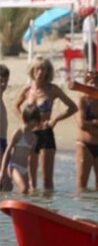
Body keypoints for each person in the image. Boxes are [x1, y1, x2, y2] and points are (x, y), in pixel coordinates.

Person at [14, 56, 77, 191]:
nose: (40, 72)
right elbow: (15, 106)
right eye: (37, 69)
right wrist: (24, 122)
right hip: (30, 134)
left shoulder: (52, 89)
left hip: (45, 133)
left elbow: (73, 107)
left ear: (48, 72)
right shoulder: (27, 90)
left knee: (47, 181)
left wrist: (55, 120)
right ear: (32, 71)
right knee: (32, 182)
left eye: (44, 69)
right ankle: (32, 207)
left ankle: (48, 206)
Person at [0, 106, 40, 194]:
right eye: (34, 121)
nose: (36, 124)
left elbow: (31, 160)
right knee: (23, 189)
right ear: (28, 119)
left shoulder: (34, 138)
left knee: (27, 192)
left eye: (37, 121)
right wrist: (2, 171)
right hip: (14, 166)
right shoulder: (18, 132)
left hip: (24, 169)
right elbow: (7, 151)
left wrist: (32, 179)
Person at [0, 65, 9, 161]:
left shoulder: (2, 101)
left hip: (3, 142)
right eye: (0, 81)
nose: (3, 84)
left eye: (5, 81)